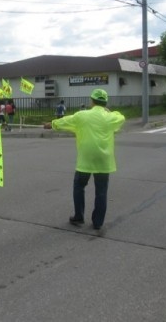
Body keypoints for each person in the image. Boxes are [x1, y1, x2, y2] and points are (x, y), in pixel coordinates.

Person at [43, 89, 125, 230]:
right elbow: (121, 117)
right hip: (103, 159)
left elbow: (65, 121)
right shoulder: (110, 117)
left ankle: (79, 216)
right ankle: (98, 222)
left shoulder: (82, 116)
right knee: (101, 191)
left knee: (79, 186)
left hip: (85, 159)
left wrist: (52, 124)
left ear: (91, 101)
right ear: (105, 103)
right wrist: (108, 111)